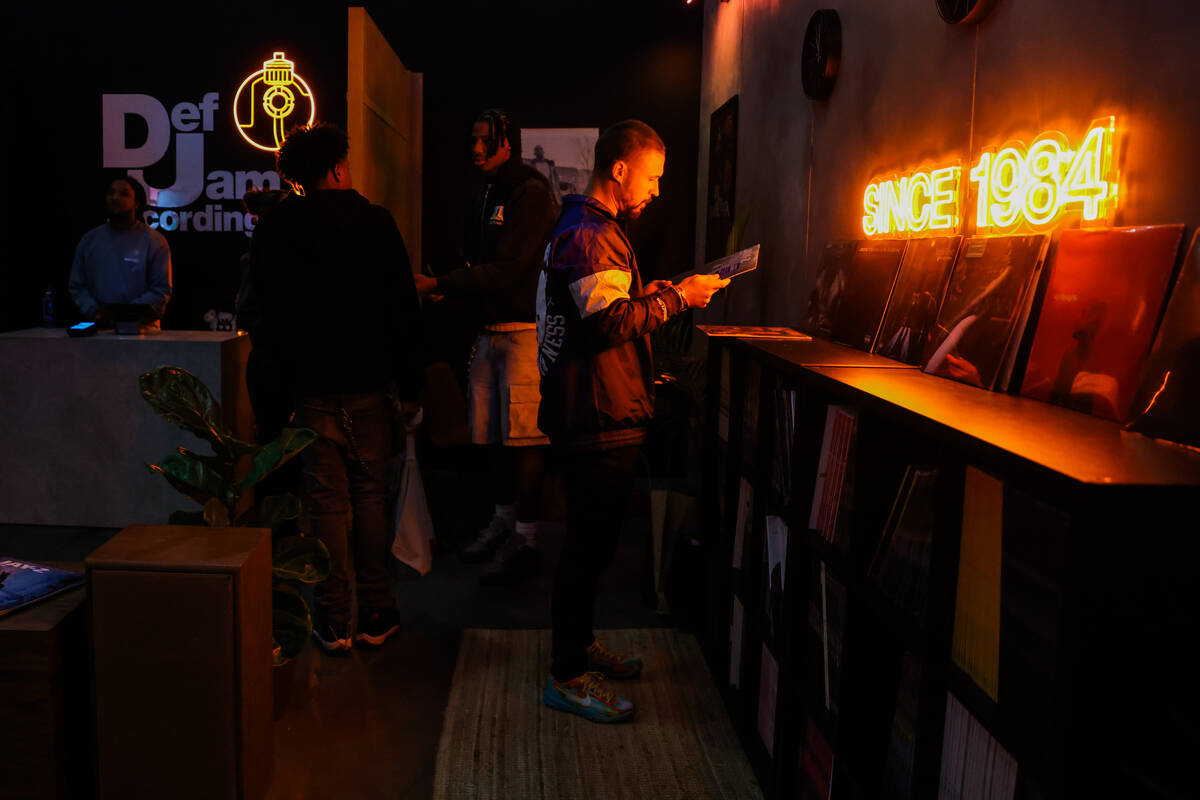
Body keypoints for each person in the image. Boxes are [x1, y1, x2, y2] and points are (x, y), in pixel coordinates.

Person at [537, 120, 728, 722]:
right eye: (652, 177)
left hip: (599, 411)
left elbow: (609, 307)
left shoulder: (591, 230)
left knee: (590, 548)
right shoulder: (591, 234)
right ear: (620, 170)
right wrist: (680, 299)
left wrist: (659, 292)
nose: (656, 190)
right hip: (596, 414)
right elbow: (610, 324)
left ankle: (578, 648)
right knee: (586, 548)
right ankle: (566, 675)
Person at [250, 123, 422, 653]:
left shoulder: (278, 228)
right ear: (339, 167)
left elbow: (266, 315)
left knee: (325, 500)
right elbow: (402, 309)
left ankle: (333, 620)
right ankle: (376, 611)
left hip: (309, 387)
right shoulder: (375, 222)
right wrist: (410, 383)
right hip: (369, 383)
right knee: (370, 495)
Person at [414, 109, 559, 585]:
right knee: (492, 436)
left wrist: (443, 282)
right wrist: (449, 285)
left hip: (522, 332)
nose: (475, 149)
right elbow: (479, 264)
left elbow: (510, 269)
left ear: (506, 142)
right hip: (488, 331)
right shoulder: (484, 192)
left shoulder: (529, 193)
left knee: (525, 439)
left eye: (484, 140)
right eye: (472, 140)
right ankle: (503, 522)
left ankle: (527, 535)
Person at [69, 175, 172, 328]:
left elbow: (161, 290)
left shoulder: (155, 241)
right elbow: (77, 286)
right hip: (99, 331)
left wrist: (126, 315)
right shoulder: (89, 240)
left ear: (136, 203)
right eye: (111, 193)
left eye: (124, 194)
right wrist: (96, 312)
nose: (115, 197)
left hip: (143, 333)